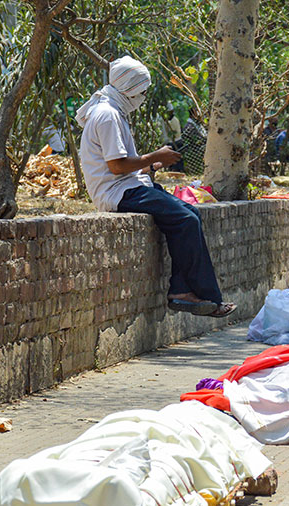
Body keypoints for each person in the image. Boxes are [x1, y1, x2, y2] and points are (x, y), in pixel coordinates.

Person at [76, 56, 235, 318]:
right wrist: (155, 157)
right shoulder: (107, 115)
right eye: (142, 91)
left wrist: (149, 167)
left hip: (129, 185)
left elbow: (121, 164)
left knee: (192, 214)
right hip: (117, 192)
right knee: (185, 219)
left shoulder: (114, 111)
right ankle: (205, 296)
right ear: (129, 88)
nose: (144, 96)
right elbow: (116, 166)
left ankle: (182, 290)